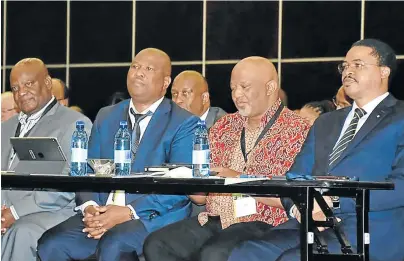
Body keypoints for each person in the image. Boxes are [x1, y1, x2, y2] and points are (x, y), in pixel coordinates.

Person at [228, 39, 404, 261]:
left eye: (357, 65)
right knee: (246, 253)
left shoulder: (399, 118)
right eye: (345, 66)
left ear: (384, 72)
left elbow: (401, 186)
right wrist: (300, 210)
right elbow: (295, 178)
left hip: (367, 228)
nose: (348, 71)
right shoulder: (326, 123)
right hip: (309, 223)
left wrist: (334, 202)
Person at [37, 48, 199, 261]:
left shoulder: (184, 123)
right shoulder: (106, 116)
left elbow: (179, 187)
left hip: (151, 217)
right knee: (51, 243)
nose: (138, 72)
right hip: (102, 212)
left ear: (166, 82)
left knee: (114, 244)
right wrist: (91, 207)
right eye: (135, 66)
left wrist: (127, 212)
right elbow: (87, 169)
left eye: (148, 69)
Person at [143, 56, 311, 261]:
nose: (237, 95)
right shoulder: (223, 127)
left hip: (264, 222)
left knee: (214, 254)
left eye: (244, 87)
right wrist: (184, 177)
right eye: (233, 88)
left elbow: (295, 195)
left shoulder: (298, 130)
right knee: (157, 245)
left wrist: (237, 179)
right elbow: (200, 197)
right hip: (214, 219)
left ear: (270, 87)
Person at [1, 58, 92, 261]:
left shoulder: (75, 124)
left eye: (28, 84)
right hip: (6, 211)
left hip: (53, 212)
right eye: (15, 88)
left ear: (48, 83)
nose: (21, 92)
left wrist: (15, 212)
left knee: (22, 233)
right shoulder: (5, 127)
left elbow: (69, 184)